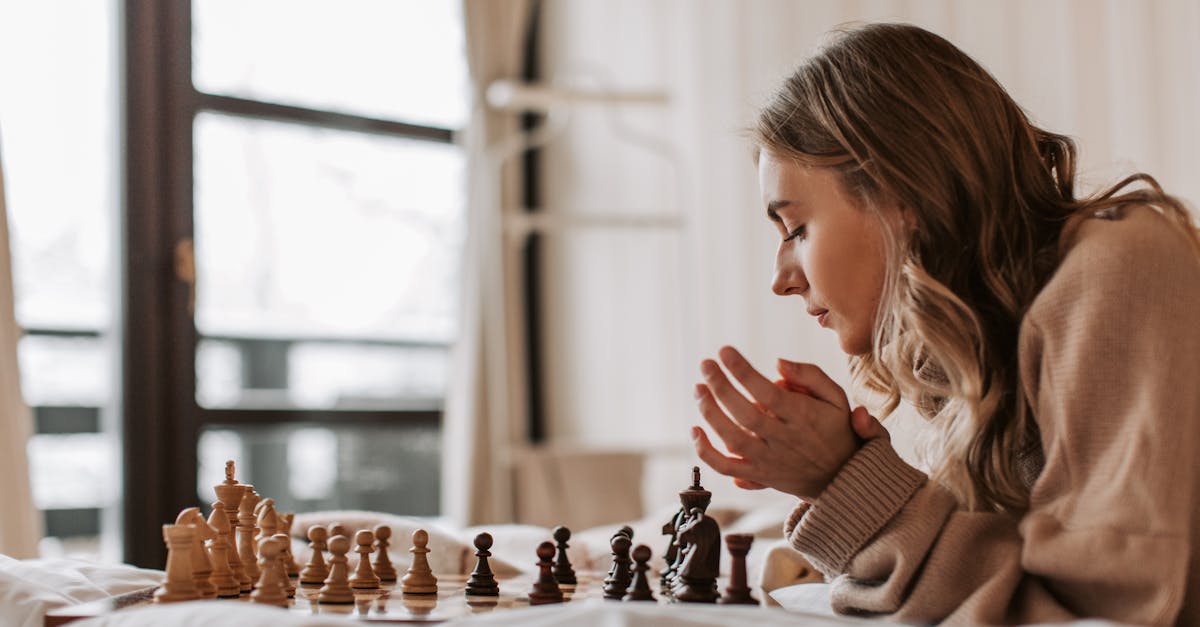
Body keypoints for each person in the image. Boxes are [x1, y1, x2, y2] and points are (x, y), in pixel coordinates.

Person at [690, 22, 1200, 625]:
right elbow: (1002, 572)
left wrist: (844, 480)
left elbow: (1100, 614)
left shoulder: (1125, 265)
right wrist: (842, 476)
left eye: (796, 229)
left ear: (900, 194)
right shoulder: (975, 356)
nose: (782, 278)